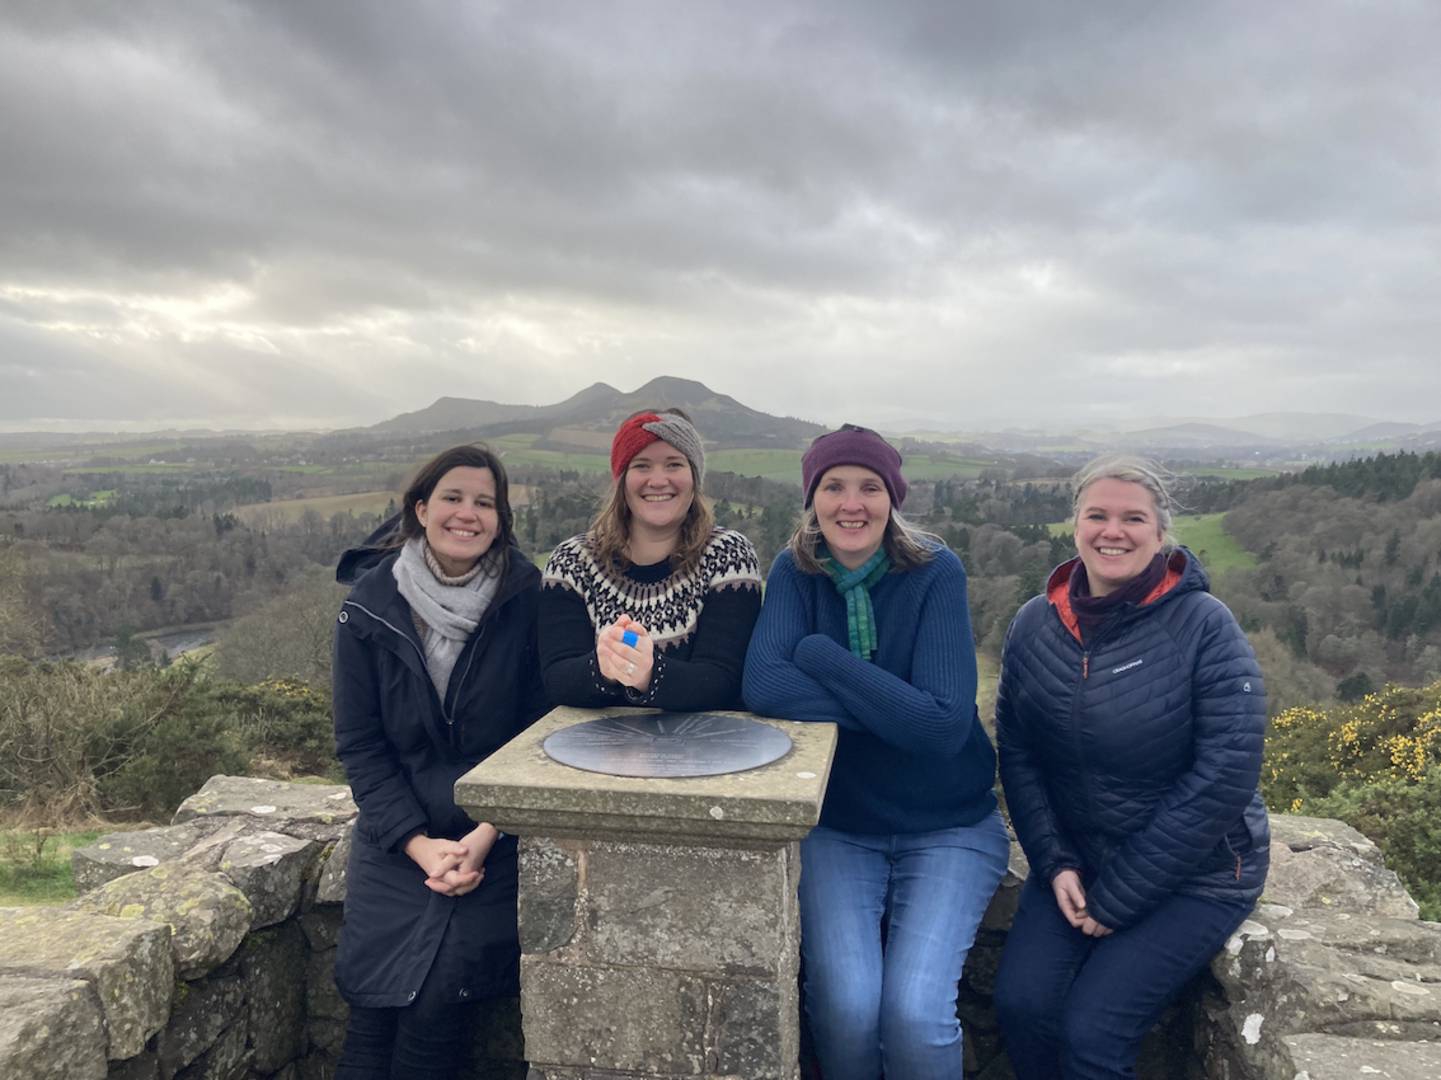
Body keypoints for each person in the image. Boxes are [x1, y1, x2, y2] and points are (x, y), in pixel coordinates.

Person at [743, 424, 1008, 1080]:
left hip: (948, 825)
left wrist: (818, 654)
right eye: (833, 486)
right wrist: (898, 709)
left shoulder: (933, 570)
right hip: (840, 826)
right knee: (847, 1008)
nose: (850, 503)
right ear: (812, 498)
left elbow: (943, 728)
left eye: (869, 486)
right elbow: (764, 687)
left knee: (916, 1015)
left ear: (892, 497)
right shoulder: (793, 570)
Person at [993, 455, 1269, 1079]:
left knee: (1094, 1030)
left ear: (1160, 533)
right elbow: (1017, 749)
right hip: (1078, 859)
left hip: (1196, 873)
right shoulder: (1035, 623)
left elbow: (1228, 770)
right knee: (1022, 1005)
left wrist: (1119, 897)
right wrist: (1053, 860)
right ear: (1074, 525)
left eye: (1132, 518)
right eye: (1097, 515)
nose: (1111, 531)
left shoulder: (1204, 626)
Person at [331, 444, 548, 1079]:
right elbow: (362, 746)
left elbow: (538, 736)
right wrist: (418, 845)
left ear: (500, 520)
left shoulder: (526, 599)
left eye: (485, 503)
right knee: (370, 1005)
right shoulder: (369, 607)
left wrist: (483, 836)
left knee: (433, 1004)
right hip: (397, 839)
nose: (468, 514)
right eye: (453, 498)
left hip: (494, 835)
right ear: (421, 509)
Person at [540, 408, 761, 710]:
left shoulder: (729, 556)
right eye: (642, 466)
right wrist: (603, 668)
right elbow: (557, 679)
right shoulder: (572, 562)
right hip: (593, 750)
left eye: (674, 464)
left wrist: (649, 673)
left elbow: (723, 680)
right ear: (622, 480)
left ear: (694, 477)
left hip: (703, 749)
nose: (658, 480)